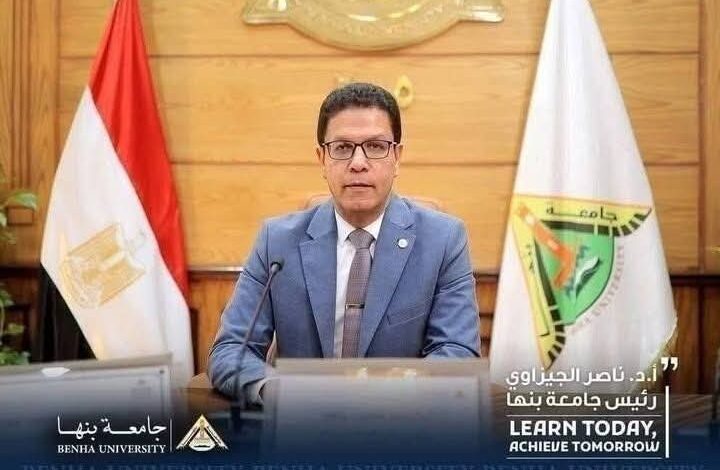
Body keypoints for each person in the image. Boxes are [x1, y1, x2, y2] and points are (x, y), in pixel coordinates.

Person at [208, 82, 480, 403]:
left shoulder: (443, 240)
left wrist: (389, 396)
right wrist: (278, 390)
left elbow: (457, 352)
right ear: (322, 159)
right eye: (342, 148)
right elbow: (231, 350)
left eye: (376, 146)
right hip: (303, 419)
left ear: (397, 157)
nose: (358, 162)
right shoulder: (277, 241)